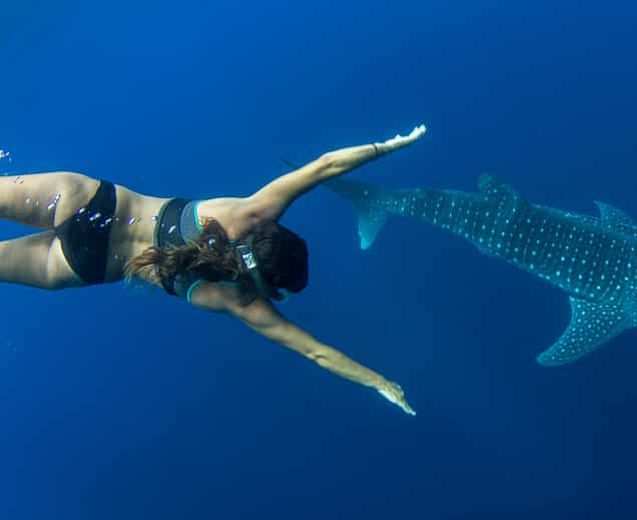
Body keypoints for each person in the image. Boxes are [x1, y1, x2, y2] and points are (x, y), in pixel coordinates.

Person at [0, 125, 426, 415]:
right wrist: (379, 382)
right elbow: (317, 352)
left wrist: (390, 146)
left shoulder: (251, 214)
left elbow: (324, 166)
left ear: (274, 232)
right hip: (80, 265)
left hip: (84, 201)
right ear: (272, 286)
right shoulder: (243, 301)